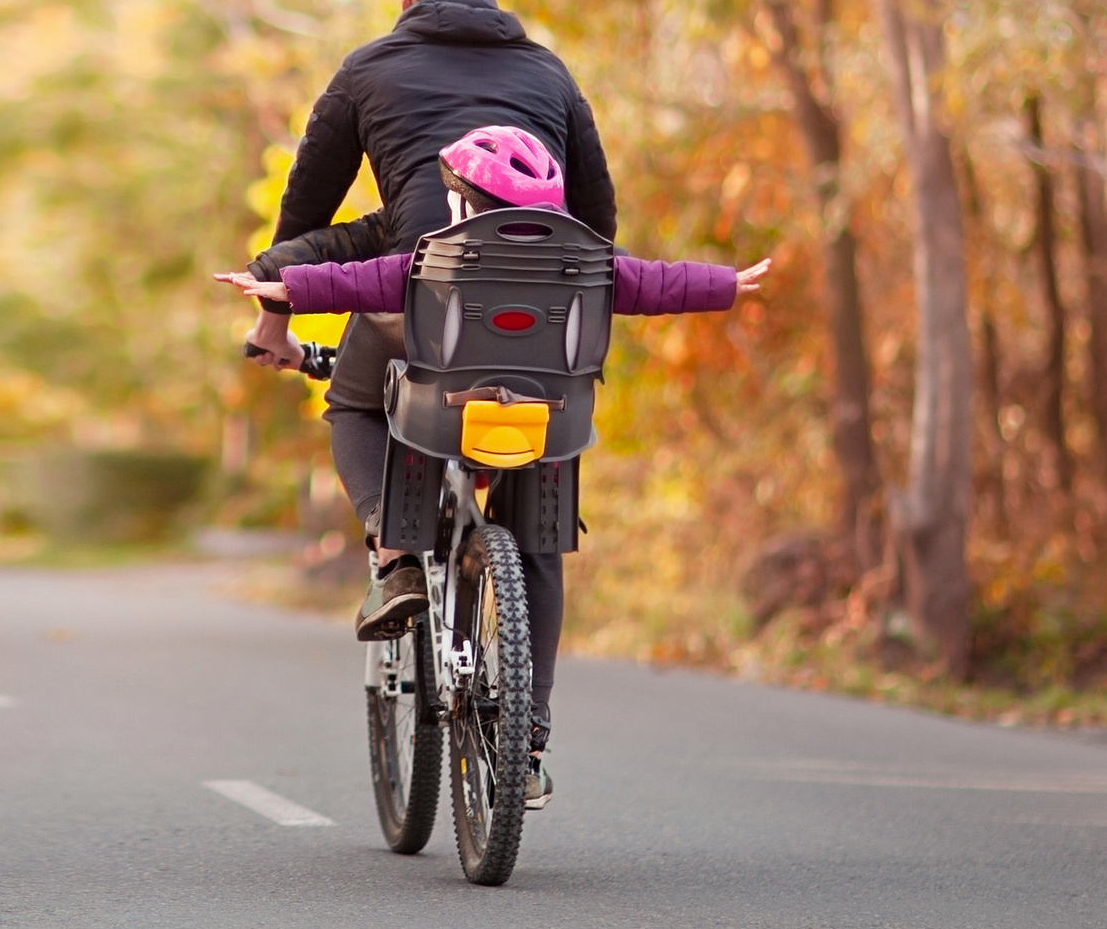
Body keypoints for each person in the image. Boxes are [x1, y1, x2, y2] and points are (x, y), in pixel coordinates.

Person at [221, 124, 769, 810]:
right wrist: (725, 284)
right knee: (539, 550)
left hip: (438, 417)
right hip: (548, 428)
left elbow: (355, 280)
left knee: (373, 415)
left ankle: (398, 555)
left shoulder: (432, 257)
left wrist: (277, 284)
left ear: (462, 203)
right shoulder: (585, 262)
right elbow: (652, 284)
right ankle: (529, 741)